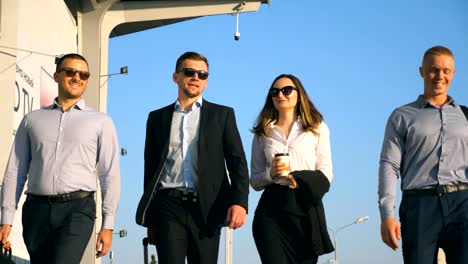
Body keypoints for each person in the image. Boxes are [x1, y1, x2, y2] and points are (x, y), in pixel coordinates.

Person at [0, 53, 121, 263]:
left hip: (77, 209)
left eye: (84, 74)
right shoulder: (32, 120)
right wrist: (6, 218)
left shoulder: (101, 122)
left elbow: (109, 174)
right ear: (56, 76)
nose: (77, 77)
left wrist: (108, 224)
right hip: (36, 210)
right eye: (71, 72)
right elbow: (15, 171)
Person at [135, 51, 249, 264]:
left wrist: (239, 202)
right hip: (168, 205)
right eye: (189, 72)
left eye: (202, 74)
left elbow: (238, 162)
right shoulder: (157, 118)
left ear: (206, 82)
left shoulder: (222, 115)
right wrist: (151, 219)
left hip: (208, 208)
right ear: (176, 77)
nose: (196, 77)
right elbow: (150, 169)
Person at [378, 45, 468, 263]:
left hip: (463, 203)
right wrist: (387, 215)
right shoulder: (402, 116)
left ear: (453, 73)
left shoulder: (466, 117)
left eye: (446, 71)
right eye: (434, 70)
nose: (440, 76)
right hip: (419, 206)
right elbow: (389, 165)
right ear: (422, 71)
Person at [250, 74, 334, 264]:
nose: (281, 95)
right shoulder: (263, 132)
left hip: (305, 207)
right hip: (271, 211)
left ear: (299, 94)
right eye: (275, 91)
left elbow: (326, 172)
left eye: (287, 90)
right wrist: (270, 174)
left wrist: (300, 180)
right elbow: (254, 180)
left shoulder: (317, 127)